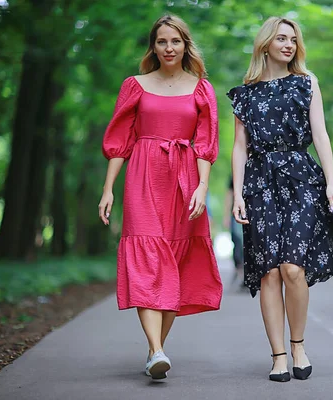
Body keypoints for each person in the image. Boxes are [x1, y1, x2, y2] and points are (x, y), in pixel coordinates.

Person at [227, 17, 333, 382]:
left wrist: (331, 183)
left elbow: (320, 135)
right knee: (269, 273)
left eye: (293, 39)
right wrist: (239, 194)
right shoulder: (245, 94)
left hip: (302, 178)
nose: (289, 45)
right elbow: (239, 147)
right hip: (260, 183)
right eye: (281, 38)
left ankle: (298, 346)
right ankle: (277, 356)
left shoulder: (307, 84)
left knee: (293, 268)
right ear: (265, 44)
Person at [98, 14, 222, 380]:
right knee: (146, 255)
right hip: (143, 173)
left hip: (185, 178)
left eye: (176, 42)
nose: (169, 48)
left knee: (177, 259)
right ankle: (156, 350)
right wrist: (108, 189)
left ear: (186, 45)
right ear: (153, 46)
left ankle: (156, 350)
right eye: (162, 42)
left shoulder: (202, 88)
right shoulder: (134, 86)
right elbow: (120, 141)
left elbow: (205, 144)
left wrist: (202, 187)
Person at [223, 176, 246, 290]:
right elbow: (229, 195)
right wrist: (226, 216)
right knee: (237, 242)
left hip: (252, 211)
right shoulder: (235, 175)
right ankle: (241, 273)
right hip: (237, 212)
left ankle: (246, 274)